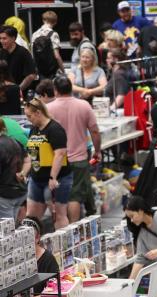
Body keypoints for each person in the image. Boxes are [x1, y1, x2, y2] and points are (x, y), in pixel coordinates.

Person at [45, 77, 100, 222]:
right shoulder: (84, 105)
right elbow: (94, 131)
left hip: (56, 160)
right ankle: (73, 228)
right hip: (78, 159)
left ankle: (62, 227)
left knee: (59, 196)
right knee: (74, 196)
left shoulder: (48, 109)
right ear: (71, 88)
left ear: (55, 90)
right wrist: (97, 150)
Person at [24, 98, 69, 229]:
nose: (28, 119)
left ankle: (62, 241)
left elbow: (60, 154)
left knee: (58, 215)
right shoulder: (34, 129)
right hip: (36, 179)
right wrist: (24, 172)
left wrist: (52, 177)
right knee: (31, 217)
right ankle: (33, 240)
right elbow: (31, 154)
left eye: (29, 116)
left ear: (38, 113)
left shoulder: (55, 129)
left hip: (55, 179)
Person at [0, 129, 26, 221]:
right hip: (19, 191)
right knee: (12, 224)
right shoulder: (14, 141)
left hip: (5, 194)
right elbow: (28, 160)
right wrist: (22, 173)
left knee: (6, 226)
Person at [0, 27, 34, 94]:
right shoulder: (1, 52)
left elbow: (31, 75)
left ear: (13, 38)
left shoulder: (23, 53)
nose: (1, 41)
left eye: (4, 38)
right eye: (0, 38)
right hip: (4, 93)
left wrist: (17, 89)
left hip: (20, 93)